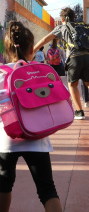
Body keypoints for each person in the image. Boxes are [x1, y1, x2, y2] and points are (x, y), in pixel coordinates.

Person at [0, 21, 62, 212]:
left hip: (6, 137)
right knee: (47, 190)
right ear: (31, 49)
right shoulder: (38, 71)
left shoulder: (2, 73)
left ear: (8, 48)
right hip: (37, 136)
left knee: (3, 185)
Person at [33, 7, 89, 120]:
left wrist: (33, 49)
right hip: (88, 57)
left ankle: (79, 111)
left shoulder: (61, 27)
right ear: (74, 17)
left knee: (72, 85)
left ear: (62, 19)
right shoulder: (82, 27)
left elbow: (45, 40)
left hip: (74, 58)